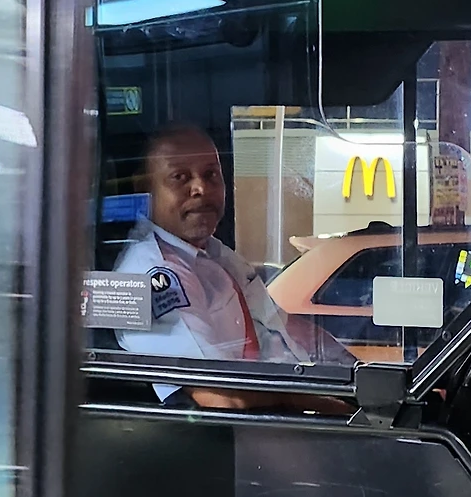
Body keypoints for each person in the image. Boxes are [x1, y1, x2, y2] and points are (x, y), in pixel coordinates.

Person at [112, 123, 349, 403]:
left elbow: (285, 327)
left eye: (211, 174)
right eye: (179, 177)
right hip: (259, 423)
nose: (201, 188)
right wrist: (334, 407)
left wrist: (355, 371)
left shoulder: (214, 253)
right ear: (145, 188)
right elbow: (222, 397)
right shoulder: (153, 274)